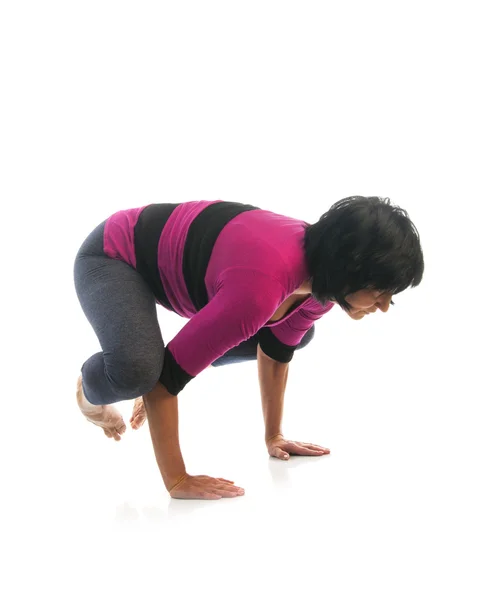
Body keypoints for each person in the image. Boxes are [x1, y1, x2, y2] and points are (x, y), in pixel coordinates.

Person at [73, 196, 424, 500]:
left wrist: (274, 436)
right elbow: (165, 380)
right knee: (138, 371)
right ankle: (90, 396)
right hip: (113, 255)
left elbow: (275, 352)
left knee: (298, 335)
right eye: (380, 291)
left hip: (199, 280)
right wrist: (177, 478)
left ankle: (153, 361)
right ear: (350, 268)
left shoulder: (321, 291)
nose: (382, 306)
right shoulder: (260, 290)